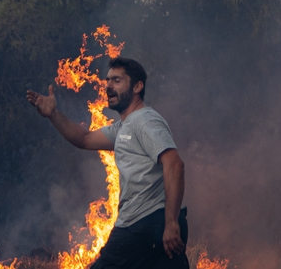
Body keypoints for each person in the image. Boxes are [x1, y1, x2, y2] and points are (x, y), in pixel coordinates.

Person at [27, 57, 188, 269]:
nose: (108, 86)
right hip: (152, 228)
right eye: (108, 80)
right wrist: (53, 115)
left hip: (142, 225)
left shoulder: (145, 121)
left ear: (138, 86)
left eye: (117, 80)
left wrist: (171, 222)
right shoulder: (124, 127)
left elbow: (174, 164)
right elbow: (84, 139)